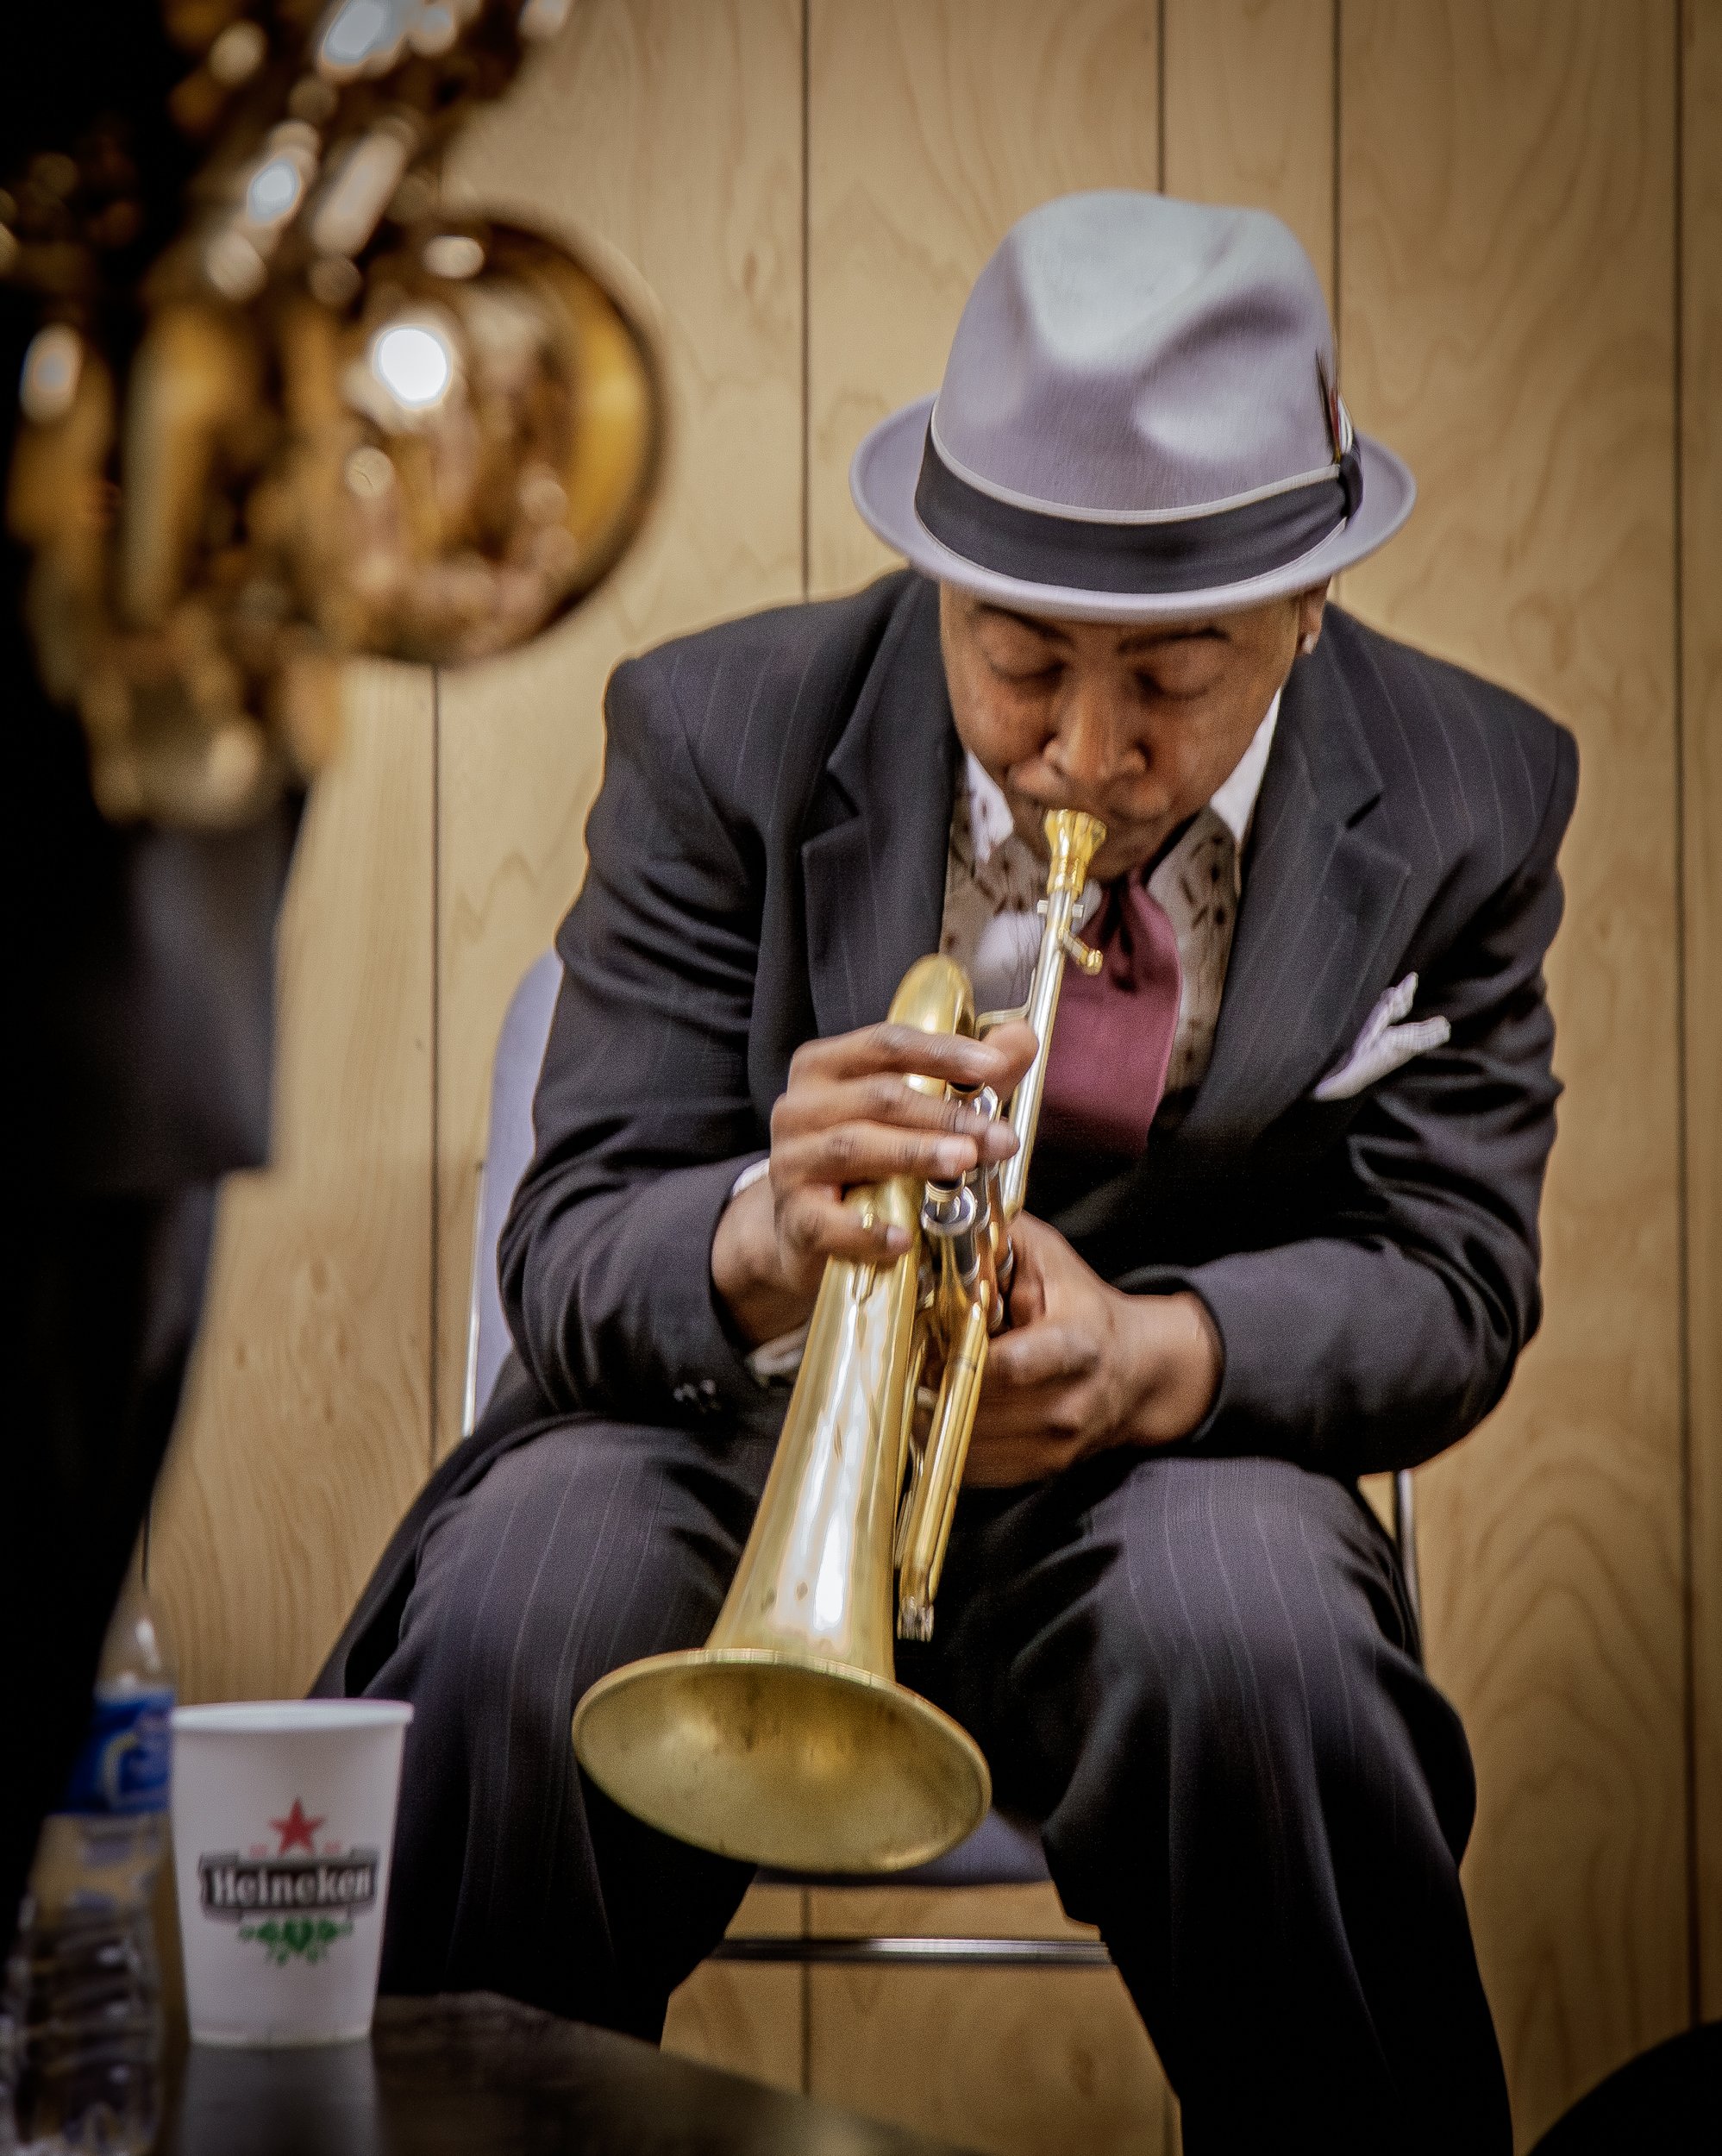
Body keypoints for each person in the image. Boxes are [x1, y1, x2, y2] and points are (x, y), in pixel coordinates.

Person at [318, 191, 1578, 2154]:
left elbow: (1451, 1271)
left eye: (1175, 679)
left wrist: (1157, 1352)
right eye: (1020, 662)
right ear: (937, 578)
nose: (1086, 752)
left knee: (1268, 1648)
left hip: (1172, 1472)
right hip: (709, 1443)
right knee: (512, 1616)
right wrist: (760, 1226)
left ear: (1311, 608)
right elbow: (572, 1242)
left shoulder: (1468, 795)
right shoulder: (718, 731)